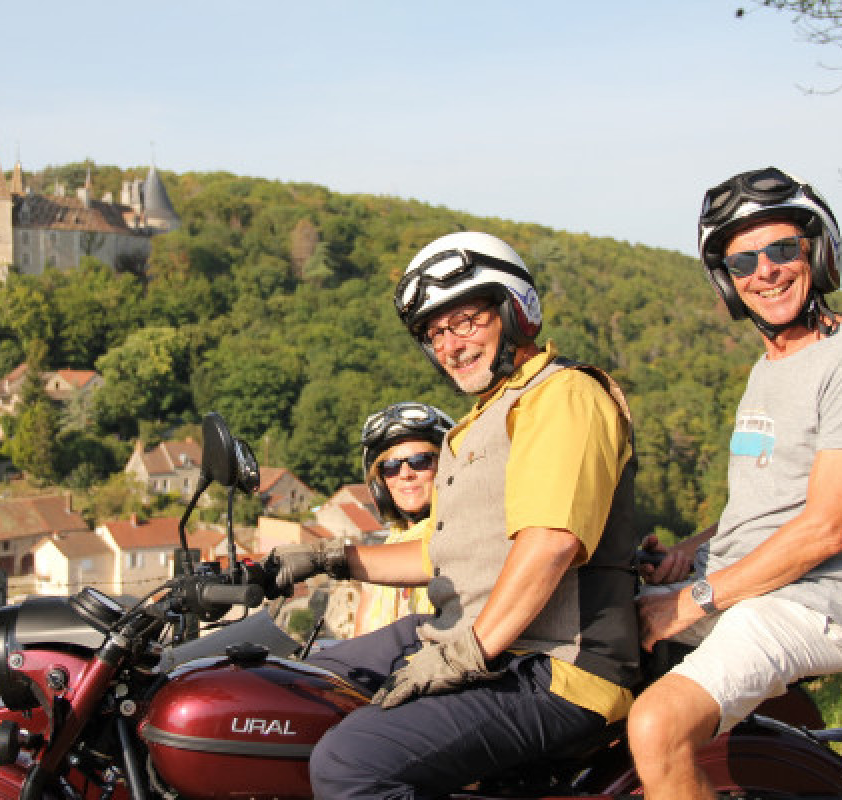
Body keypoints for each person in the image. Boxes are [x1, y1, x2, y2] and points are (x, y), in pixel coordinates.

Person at [267, 231, 640, 799]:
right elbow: (442, 552)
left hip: (555, 665)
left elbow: (550, 542)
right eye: (435, 333)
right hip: (479, 638)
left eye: (465, 321)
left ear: (515, 309)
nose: (450, 345)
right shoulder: (477, 423)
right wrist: (328, 558)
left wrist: (467, 655)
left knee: (349, 764)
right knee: (304, 685)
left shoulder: (561, 395)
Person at [626, 167, 842, 800]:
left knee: (656, 727)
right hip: (744, 583)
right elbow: (766, 501)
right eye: (743, 260)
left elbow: (824, 528)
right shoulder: (772, 364)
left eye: (783, 250)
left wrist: (688, 599)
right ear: (727, 281)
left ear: (817, 252)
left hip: (809, 604)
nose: (767, 271)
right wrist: (689, 551)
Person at [353, 402, 451, 637]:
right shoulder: (379, 570)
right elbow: (360, 646)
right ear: (381, 484)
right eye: (391, 467)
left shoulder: (468, 537)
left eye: (421, 461)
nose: (406, 474)